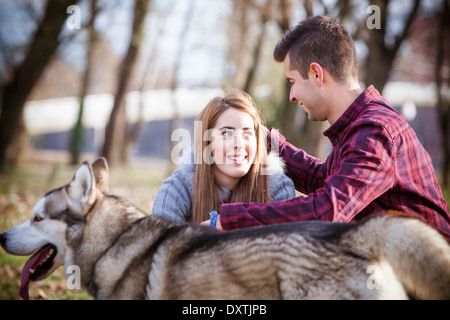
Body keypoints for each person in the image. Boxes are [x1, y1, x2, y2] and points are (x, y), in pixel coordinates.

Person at [215, 16, 450, 242]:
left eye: (293, 82)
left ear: (316, 74)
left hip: (430, 275)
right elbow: (323, 180)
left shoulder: (375, 131)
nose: (292, 96)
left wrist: (230, 220)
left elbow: (326, 211)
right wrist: (269, 143)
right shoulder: (357, 127)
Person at [152, 89, 295, 224]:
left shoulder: (277, 189)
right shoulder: (177, 190)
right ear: (207, 141)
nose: (239, 144)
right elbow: (161, 246)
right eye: (226, 133)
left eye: (247, 133)